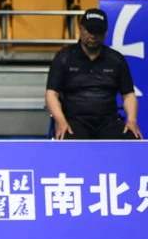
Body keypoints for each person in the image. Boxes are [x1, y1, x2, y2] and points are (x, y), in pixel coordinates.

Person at [46, 8, 142, 140]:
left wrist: (131, 120)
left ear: (106, 33)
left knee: (132, 139)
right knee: (67, 140)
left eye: (98, 32)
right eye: (89, 30)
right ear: (80, 29)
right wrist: (61, 122)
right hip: (75, 122)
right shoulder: (64, 57)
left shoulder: (116, 60)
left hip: (109, 123)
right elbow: (51, 93)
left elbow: (128, 95)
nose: (93, 36)